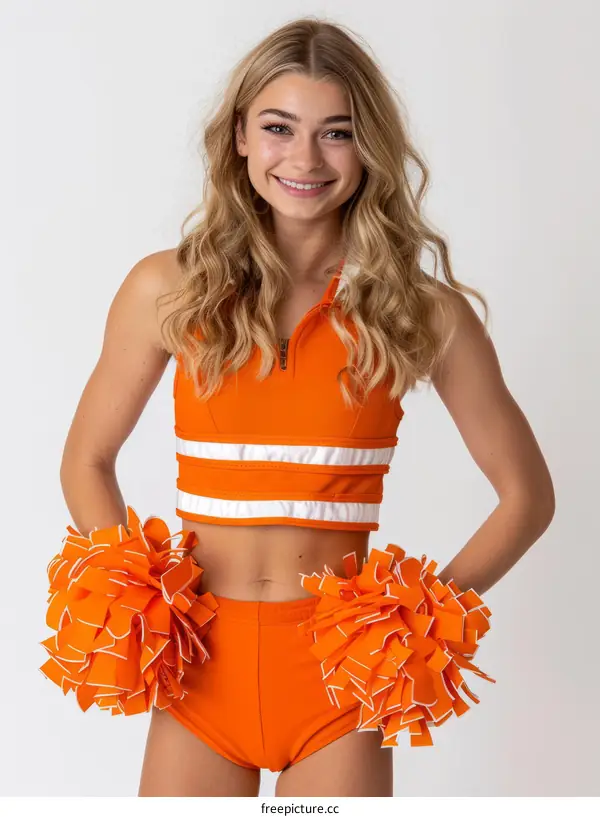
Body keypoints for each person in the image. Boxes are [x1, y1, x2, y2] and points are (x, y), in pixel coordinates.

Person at [51, 17, 555, 798]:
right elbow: (86, 458)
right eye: (279, 128)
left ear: (370, 150)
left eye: (338, 133)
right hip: (197, 675)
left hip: (337, 684)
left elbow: (527, 496)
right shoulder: (168, 288)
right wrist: (137, 594)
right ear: (241, 139)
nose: (305, 159)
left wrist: (415, 622)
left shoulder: (418, 310)